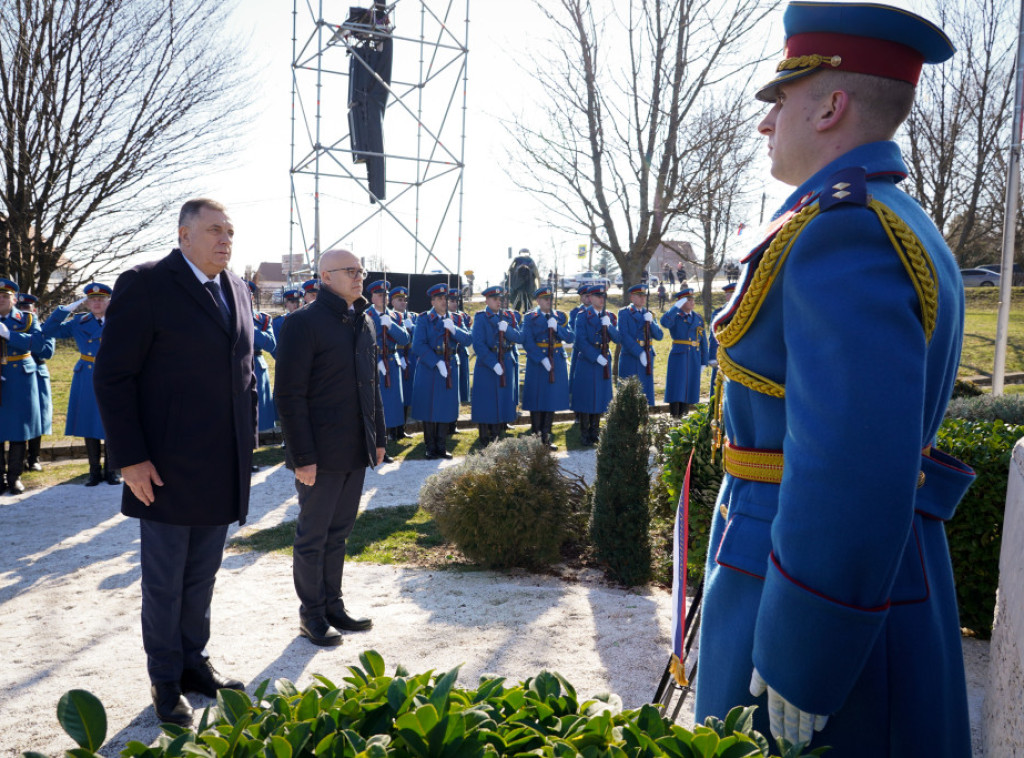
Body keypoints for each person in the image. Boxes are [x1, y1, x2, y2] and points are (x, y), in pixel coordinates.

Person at [694, 5, 972, 756]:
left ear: (831, 105)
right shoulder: (891, 216)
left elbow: (848, 465)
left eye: (778, 101)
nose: (765, 124)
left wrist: (804, 652)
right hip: (853, 570)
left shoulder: (843, 230)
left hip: (805, 589)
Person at [93, 198, 253, 727]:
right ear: (183, 235)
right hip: (162, 466)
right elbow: (114, 376)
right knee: (164, 581)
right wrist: (131, 459)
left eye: (229, 231)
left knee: (201, 576)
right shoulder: (146, 283)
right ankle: (164, 681)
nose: (225, 239)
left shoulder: (238, 289)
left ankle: (192, 663)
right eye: (213, 230)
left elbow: (242, 376)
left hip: (220, 463)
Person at [273, 248, 383, 648]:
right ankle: (312, 615)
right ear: (325, 276)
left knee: (339, 534)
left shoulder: (362, 321)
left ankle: (333, 605)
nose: (359, 276)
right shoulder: (303, 323)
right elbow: (288, 394)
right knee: (312, 536)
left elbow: (371, 385)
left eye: (361, 269)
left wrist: (380, 439)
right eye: (350, 271)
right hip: (319, 452)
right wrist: (302, 457)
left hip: (355, 448)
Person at [42, 283, 121, 485]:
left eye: (101, 299)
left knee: (113, 422)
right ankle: (94, 470)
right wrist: (65, 310)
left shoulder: (120, 319)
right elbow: (48, 330)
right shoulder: (78, 322)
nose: (96, 303)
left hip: (114, 374)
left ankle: (113, 469)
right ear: (85, 303)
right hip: (87, 374)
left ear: (108, 302)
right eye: (92, 299)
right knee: (88, 421)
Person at [410, 282, 472, 459]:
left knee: (445, 407)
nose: (444, 301)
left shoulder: (456, 319)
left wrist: (454, 329)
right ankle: (430, 446)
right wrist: (436, 362)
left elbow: (468, 340)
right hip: (430, 368)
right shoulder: (424, 319)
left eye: (445, 298)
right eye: (439, 298)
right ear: (432, 302)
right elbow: (418, 345)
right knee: (428, 407)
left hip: (450, 365)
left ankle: (441, 445)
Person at [0, 279, 48, 495]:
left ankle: (14, 477)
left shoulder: (27, 318)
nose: (1, 300)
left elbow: (40, 345)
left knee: (20, 428)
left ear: (14, 299)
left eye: (5, 296)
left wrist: (10, 335)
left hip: (20, 376)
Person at [521, 286, 573, 449]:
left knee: (550, 400)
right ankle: (536, 438)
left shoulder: (560, 316)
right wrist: (541, 358)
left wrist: (557, 327)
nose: (548, 302)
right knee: (537, 400)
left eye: (550, 299)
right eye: (545, 299)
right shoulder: (530, 318)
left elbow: (571, 336)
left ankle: (546, 437)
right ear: (538, 301)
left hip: (555, 360)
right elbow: (527, 341)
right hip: (538, 363)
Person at [470, 285, 522, 446]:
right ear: (486, 300)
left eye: (500, 299)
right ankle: (485, 437)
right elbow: (478, 345)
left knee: (502, 400)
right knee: (486, 401)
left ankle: (497, 434)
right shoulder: (480, 317)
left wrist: (507, 330)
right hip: (487, 364)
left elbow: (519, 338)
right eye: (495, 299)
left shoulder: (507, 317)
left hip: (505, 359)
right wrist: (493, 363)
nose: (498, 302)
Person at [569, 285, 619, 446]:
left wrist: (609, 326)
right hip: (589, 361)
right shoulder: (583, 316)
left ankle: (595, 432)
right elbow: (580, 341)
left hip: (604, 359)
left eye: (603, 296)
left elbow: (618, 339)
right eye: (598, 296)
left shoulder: (609, 316)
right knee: (586, 397)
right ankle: (584, 433)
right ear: (590, 298)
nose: (601, 299)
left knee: (600, 397)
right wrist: (596, 357)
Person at [367, 279, 410, 458]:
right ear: (372, 297)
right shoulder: (365, 315)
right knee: (376, 408)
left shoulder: (395, 316)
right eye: (379, 295)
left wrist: (391, 325)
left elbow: (405, 339)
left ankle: (382, 448)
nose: (383, 298)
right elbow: (362, 342)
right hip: (374, 364)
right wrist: (375, 360)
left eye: (385, 295)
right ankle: (375, 448)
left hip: (392, 362)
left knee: (390, 408)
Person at [16, 293, 54, 473]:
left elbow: (46, 352)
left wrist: (22, 343)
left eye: (27, 308)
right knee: (19, 416)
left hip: (37, 372)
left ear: (34, 310)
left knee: (38, 415)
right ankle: (19, 459)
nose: (24, 311)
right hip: (16, 374)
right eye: (21, 307)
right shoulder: (13, 325)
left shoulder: (42, 327)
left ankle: (34, 457)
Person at [661, 287, 707, 418]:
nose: (692, 302)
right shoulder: (675, 317)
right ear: (681, 302)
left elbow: (703, 341)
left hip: (694, 356)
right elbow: (664, 322)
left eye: (693, 299)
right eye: (689, 300)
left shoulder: (697, 318)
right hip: (679, 356)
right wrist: (675, 307)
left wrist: (704, 361)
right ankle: (675, 417)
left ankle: (685, 417)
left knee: (690, 387)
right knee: (677, 387)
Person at [616, 284, 664, 407]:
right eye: (639, 296)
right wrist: (639, 352)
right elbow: (624, 336)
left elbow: (659, 336)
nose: (643, 299)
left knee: (645, 390)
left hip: (647, 355)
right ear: (632, 297)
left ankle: (644, 418)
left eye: (644, 296)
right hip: (631, 356)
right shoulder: (624, 313)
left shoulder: (649, 314)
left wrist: (651, 323)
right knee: (629, 391)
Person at [247, 281, 277, 471]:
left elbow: (271, 344)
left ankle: (249, 456)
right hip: (233, 370)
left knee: (254, 415)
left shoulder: (263, 319)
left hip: (257, 367)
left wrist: (249, 325)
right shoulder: (225, 316)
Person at [388, 285, 416, 441]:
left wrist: (413, 327)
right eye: (399, 300)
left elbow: (421, 335)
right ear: (392, 301)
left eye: (405, 300)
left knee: (406, 394)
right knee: (394, 396)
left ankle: (402, 428)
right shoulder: (389, 316)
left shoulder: (413, 316)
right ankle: (392, 430)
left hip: (410, 357)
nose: (403, 302)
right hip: (396, 356)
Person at [446, 288, 472, 434]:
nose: (454, 304)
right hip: (448, 355)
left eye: (456, 301)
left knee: (459, 389)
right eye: (451, 301)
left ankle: (454, 422)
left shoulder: (461, 317)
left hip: (460, 353)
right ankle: (447, 422)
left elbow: (468, 335)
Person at [707, 281, 736, 400]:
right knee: (718, 386)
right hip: (722, 354)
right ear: (727, 296)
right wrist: (712, 357)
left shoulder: (743, 311)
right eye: (731, 294)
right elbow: (714, 336)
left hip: (737, 355)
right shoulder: (719, 313)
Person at [271, 288, 302, 356]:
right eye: (292, 302)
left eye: (298, 302)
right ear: (286, 304)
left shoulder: (307, 320)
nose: (295, 305)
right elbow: (274, 346)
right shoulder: (278, 322)